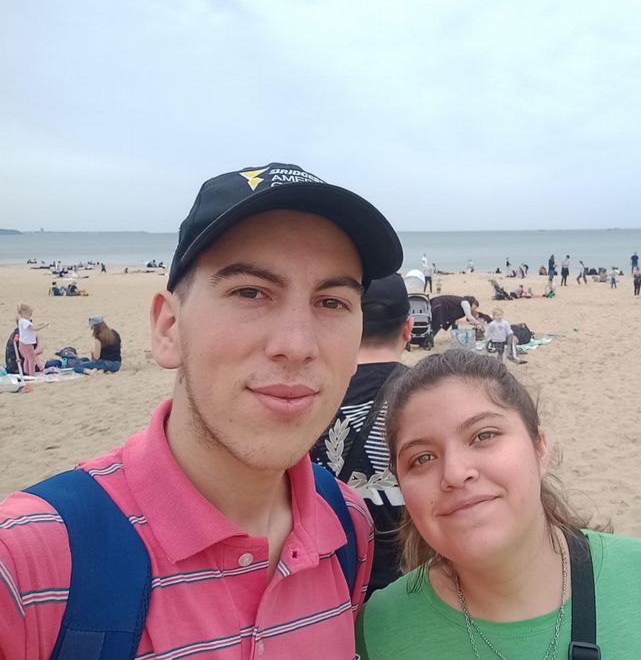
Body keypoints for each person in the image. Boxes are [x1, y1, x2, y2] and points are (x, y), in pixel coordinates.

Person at [0, 162, 402, 658]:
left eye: (332, 302)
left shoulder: (348, 529)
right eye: (250, 292)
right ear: (168, 328)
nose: (297, 345)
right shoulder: (27, 565)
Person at [357, 350, 641, 660]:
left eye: (484, 435)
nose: (454, 473)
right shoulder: (378, 631)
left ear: (539, 448)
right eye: (422, 458)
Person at [312, 273, 412, 598]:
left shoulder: (306, 397)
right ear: (408, 328)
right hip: (413, 584)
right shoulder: (429, 396)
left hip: (329, 582)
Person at [15, 303, 49, 376]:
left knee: (27, 359)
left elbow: (32, 327)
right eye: (29, 314)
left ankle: (26, 372)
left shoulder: (21, 321)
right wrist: (44, 326)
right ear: (24, 313)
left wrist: (41, 324)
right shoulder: (24, 321)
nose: (30, 316)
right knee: (31, 359)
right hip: (27, 344)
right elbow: (34, 328)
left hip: (23, 343)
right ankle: (31, 374)